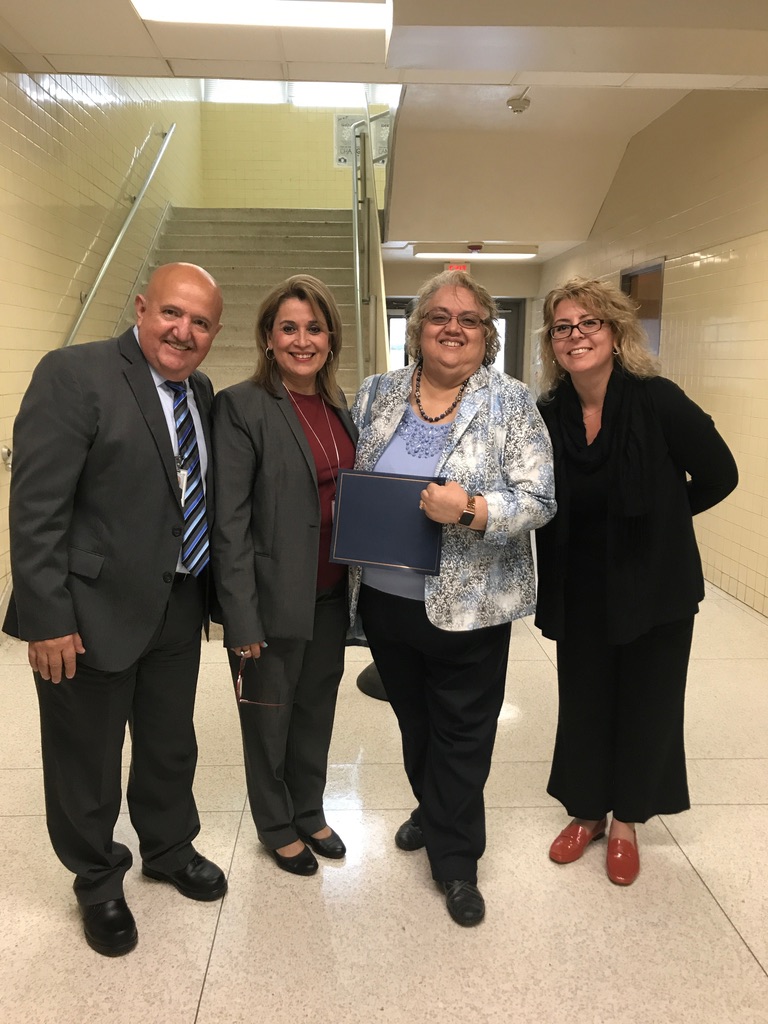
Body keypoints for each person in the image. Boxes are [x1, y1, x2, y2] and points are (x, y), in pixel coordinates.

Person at [3, 263, 227, 957]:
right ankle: (97, 879)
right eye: (171, 313)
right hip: (87, 611)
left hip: (176, 604)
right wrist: (46, 616)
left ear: (213, 335)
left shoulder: (200, 392)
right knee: (86, 757)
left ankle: (167, 846)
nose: (182, 332)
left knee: (169, 744)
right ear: (141, 307)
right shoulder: (75, 373)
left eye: (200, 323)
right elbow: (36, 506)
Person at [350, 269, 556, 926]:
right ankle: (433, 809)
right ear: (417, 330)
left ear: (487, 337)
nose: (453, 327)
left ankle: (457, 860)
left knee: (463, 734)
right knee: (416, 725)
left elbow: (540, 501)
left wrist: (469, 508)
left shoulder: (513, 403)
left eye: (469, 319)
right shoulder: (377, 394)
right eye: (439, 315)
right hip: (386, 600)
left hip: (472, 608)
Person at [535, 277, 738, 886]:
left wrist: (663, 524)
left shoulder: (658, 400)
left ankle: (627, 822)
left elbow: (719, 474)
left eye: (590, 323)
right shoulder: (549, 413)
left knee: (648, 701)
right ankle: (587, 813)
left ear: (618, 333)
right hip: (581, 586)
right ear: (553, 343)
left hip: (655, 587)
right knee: (586, 701)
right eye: (564, 327)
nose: (577, 336)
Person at [211, 274, 356, 877]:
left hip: (328, 594)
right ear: (268, 338)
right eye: (289, 328)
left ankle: (309, 808)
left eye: (314, 328)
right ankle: (275, 823)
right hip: (270, 602)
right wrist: (239, 617)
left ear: (330, 338)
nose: (302, 340)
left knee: (315, 710)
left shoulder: (338, 405)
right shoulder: (242, 407)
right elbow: (229, 523)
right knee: (268, 717)